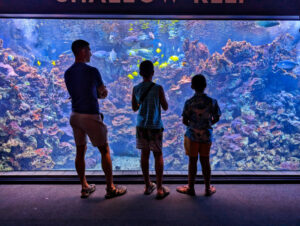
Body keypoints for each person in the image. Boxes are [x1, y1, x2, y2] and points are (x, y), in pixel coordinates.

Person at [64, 40, 126, 199]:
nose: (91, 53)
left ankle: (84, 187)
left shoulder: (68, 73)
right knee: (104, 149)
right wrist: (103, 93)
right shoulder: (93, 71)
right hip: (90, 115)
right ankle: (110, 188)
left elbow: (76, 92)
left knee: (80, 151)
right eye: (89, 50)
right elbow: (102, 93)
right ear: (83, 52)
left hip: (75, 115)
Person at [176, 74, 221, 196]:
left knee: (192, 161)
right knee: (205, 161)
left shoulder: (189, 102)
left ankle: (191, 187)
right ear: (205, 86)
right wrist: (207, 123)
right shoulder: (212, 102)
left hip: (192, 135)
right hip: (206, 135)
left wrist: (194, 124)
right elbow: (217, 117)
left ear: (192, 86)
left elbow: (184, 120)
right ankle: (207, 188)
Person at [131, 60, 170, 199]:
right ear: (153, 73)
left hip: (141, 126)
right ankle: (159, 188)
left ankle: (148, 185)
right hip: (155, 126)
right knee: (158, 154)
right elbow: (165, 107)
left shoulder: (136, 88)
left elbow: (134, 108)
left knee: (144, 154)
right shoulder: (158, 88)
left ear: (140, 73)